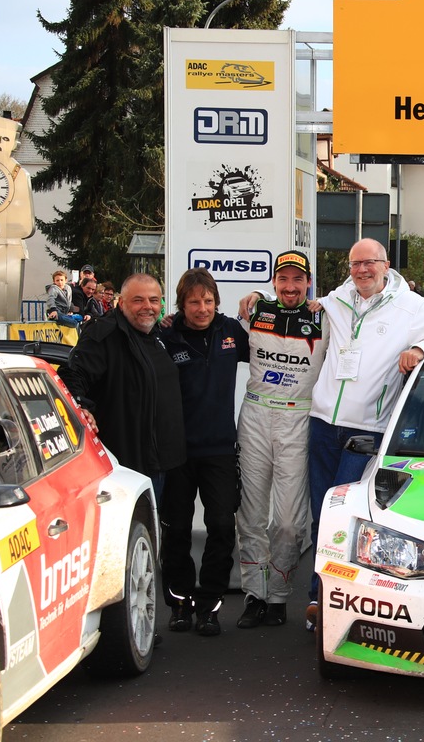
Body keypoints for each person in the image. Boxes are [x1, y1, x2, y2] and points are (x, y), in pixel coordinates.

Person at [287, 239, 424, 629]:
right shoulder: (338, 300)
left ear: (386, 265)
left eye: (370, 263)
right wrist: (255, 297)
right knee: (321, 514)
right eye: (355, 264)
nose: (362, 271)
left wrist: (420, 348)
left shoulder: (410, 307)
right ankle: (318, 597)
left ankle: (330, 604)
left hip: (366, 430)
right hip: (321, 423)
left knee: (345, 519)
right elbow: (296, 300)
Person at [236, 251, 327, 630]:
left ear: (308, 282)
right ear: (274, 281)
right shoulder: (255, 311)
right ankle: (255, 596)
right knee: (252, 515)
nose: (290, 287)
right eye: (283, 279)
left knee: (289, 521)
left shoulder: (325, 316)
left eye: (297, 279)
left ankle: (279, 593)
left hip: (298, 416)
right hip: (255, 414)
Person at [159, 268, 250, 637]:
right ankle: (179, 602)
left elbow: (274, 344)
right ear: (181, 304)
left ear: (217, 302)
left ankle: (210, 605)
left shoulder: (230, 331)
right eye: (194, 301)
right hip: (176, 452)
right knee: (177, 530)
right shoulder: (165, 335)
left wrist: (258, 300)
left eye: (208, 301)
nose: (202, 308)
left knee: (222, 527)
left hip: (219, 451)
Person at [58, 274, 185, 496]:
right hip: (126, 469)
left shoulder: (156, 335)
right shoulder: (105, 334)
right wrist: (80, 406)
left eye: (154, 300)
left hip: (164, 463)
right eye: (138, 300)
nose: (148, 307)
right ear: (122, 303)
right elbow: (72, 373)